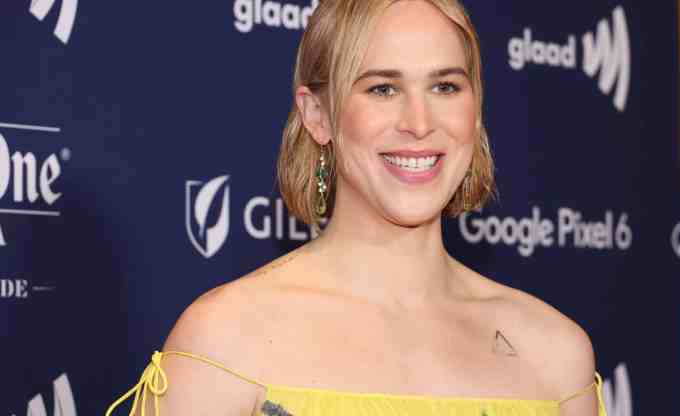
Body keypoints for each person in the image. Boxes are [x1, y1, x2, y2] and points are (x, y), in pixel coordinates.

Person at [107, 0, 607, 415]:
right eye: (382, 88)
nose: (419, 121)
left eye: (445, 87)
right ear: (317, 115)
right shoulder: (225, 340)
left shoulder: (556, 354)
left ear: (474, 112)